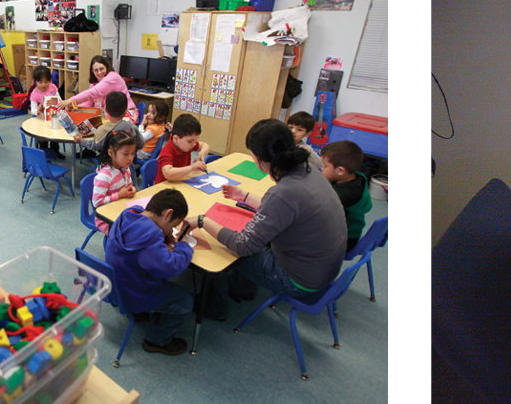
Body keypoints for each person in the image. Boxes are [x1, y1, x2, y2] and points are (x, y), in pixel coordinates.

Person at [181, 119, 346, 319]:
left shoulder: (283, 192)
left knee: (226, 250)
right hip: (322, 268)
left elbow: (243, 246)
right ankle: (243, 289)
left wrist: (202, 221)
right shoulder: (306, 169)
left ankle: (214, 307)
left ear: (260, 159)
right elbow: (284, 209)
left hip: (299, 279)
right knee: (252, 234)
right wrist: (244, 196)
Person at [104, 188, 196, 355]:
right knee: (184, 301)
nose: (172, 231)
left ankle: (139, 313)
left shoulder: (128, 214)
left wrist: (162, 233)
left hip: (115, 285)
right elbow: (170, 268)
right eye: (173, 226)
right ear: (167, 214)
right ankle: (156, 341)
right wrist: (183, 246)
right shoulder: (150, 238)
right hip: (133, 293)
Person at [320, 140, 372, 253]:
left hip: (343, 241)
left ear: (340, 171)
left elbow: (317, 210)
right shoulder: (356, 176)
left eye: (325, 166)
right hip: (351, 233)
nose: (322, 169)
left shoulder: (343, 196)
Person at [58, 56, 136, 121]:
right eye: (96, 70)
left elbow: (93, 93)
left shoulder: (113, 77)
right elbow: (89, 102)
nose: (99, 72)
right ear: (92, 72)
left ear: (107, 67)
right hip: (109, 115)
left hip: (125, 113)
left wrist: (70, 100)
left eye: (101, 69)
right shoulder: (95, 82)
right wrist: (75, 110)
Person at [93, 132, 139, 234]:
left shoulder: (125, 168)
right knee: (133, 233)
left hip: (122, 210)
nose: (130, 158)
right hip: (106, 219)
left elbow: (129, 185)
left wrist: (132, 189)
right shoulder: (104, 176)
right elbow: (97, 202)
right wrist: (118, 195)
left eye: (132, 153)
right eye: (126, 154)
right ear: (111, 153)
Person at [76, 92, 145, 157]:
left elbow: (94, 146)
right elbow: (141, 144)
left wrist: (81, 141)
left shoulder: (102, 129)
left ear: (106, 109)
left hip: (108, 164)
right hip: (127, 164)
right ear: (126, 111)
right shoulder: (131, 127)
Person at [154, 114, 211, 184]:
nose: (194, 144)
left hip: (180, 181)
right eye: (190, 141)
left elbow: (205, 145)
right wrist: (192, 168)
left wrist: (202, 153)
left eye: (195, 140)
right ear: (176, 139)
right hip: (165, 187)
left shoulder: (186, 145)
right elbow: (168, 173)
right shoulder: (167, 151)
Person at [30, 66, 65, 159]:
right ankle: (43, 153)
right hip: (41, 120)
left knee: (55, 137)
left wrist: (56, 102)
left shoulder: (52, 87)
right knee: (43, 138)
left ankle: (55, 151)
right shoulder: (34, 93)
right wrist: (37, 110)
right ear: (35, 81)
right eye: (40, 82)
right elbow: (32, 109)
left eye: (46, 82)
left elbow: (59, 100)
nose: (43, 85)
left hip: (53, 117)